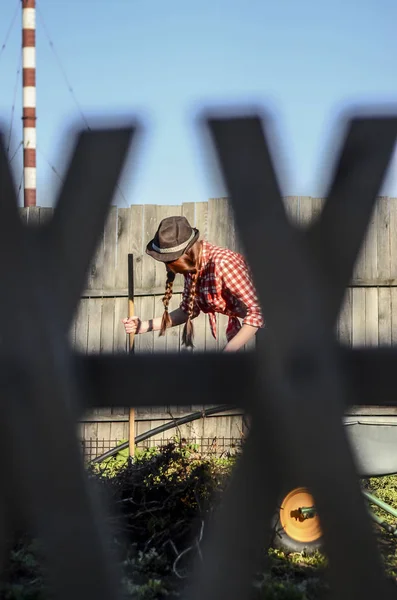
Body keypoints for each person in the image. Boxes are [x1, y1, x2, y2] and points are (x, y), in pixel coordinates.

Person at [122, 216, 264, 352]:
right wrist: (143, 326)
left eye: (169, 261)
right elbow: (187, 311)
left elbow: (259, 311)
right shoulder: (192, 270)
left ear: (184, 255)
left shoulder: (222, 264)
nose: (167, 268)